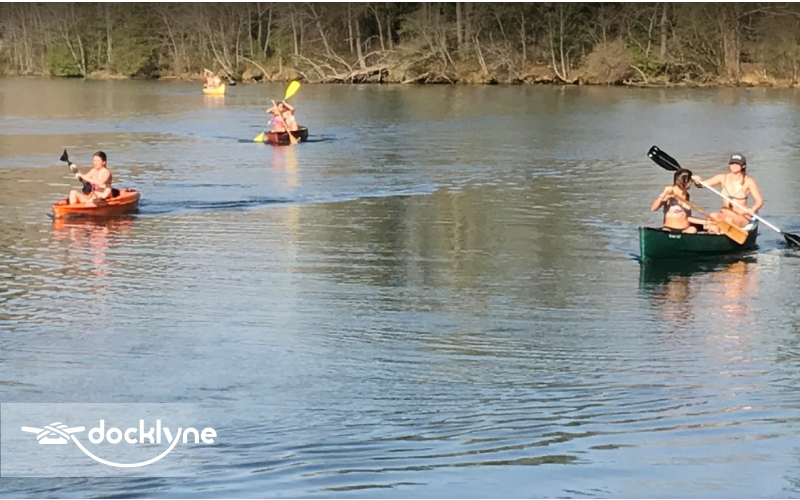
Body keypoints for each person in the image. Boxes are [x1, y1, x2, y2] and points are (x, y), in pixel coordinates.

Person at [693, 153, 764, 229]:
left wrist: (753, 209)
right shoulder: (721, 178)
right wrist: (697, 181)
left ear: (743, 166)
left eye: (737, 163)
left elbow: (759, 201)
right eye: (732, 163)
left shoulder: (748, 181)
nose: (734, 165)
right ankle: (714, 232)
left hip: (741, 216)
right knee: (712, 216)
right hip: (724, 214)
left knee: (729, 220)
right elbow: (702, 185)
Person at [650, 168, 707, 233]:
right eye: (690, 182)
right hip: (669, 229)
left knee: (693, 229)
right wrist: (663, 195)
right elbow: (653, 208)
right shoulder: (670, 191)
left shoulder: (686, 195)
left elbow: (687, 217)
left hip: (685, 229)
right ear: (686, 182)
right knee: (666, 231)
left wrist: (705, 222)